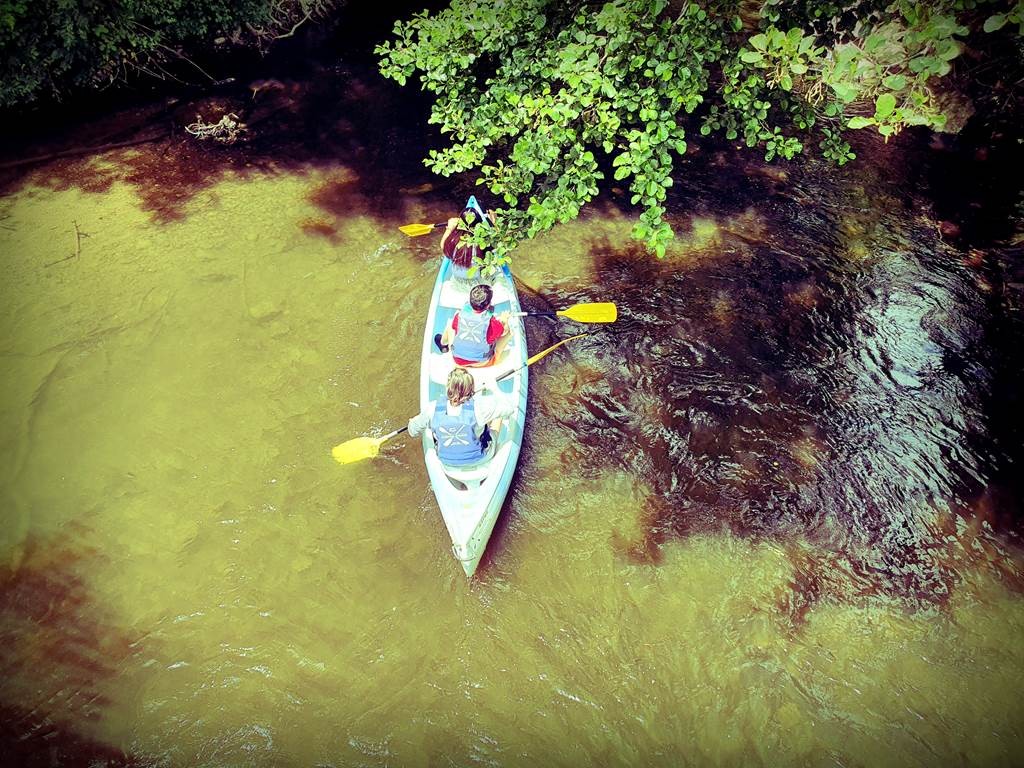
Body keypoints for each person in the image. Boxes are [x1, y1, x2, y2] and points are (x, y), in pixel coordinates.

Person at [408, 367, 514, 467]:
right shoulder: (480, 407)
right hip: (480, 458)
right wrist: (494, 388)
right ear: (471, 388)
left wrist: (412, 422)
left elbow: (412, 431)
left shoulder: (432, 409)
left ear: (448, 388)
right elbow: (510, 408)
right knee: (496, 418)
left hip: (446, 461)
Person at [435, 284, 510, 367]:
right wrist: (504, 319)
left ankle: (443, 344)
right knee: (509, 332)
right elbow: (504, 331)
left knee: (450, 324)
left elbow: (455, 328)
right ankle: (497, 357)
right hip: (481, 363)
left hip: (457, 360)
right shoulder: (493, 323)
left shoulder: (459, 316)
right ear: (489, 304)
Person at [440, 205, 495, 282]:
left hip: (457, 277)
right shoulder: (484, 241)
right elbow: (497, 245)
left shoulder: (452, 240)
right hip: (477, 278)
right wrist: (493, 222)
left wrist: (449, 229)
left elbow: (443, 246)